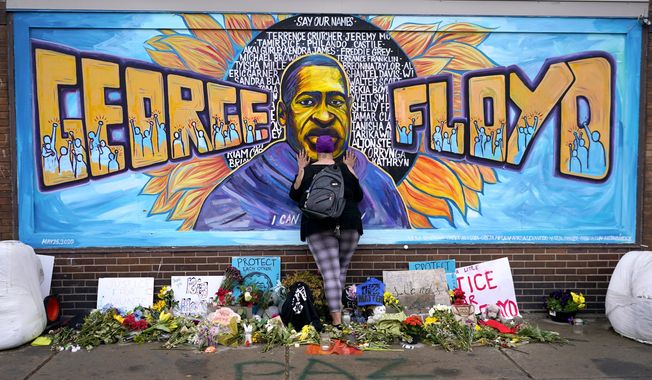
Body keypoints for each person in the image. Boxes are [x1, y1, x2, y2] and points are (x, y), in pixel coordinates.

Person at [194, 54, 408, 231]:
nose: (324, 116)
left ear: (349, 111)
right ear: (282, 114)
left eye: (336, 102)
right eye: (307, 102)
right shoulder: (235, 197)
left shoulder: (380, 187)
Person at [289, 135, 363, 325]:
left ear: (316, 150)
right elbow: (359, 196)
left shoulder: (307, 171)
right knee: (340, 272)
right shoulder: (345, 169)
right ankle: (341, 317)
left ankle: (337, 322)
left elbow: (294, 195)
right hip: (349, 223)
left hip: (318, 225)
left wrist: (301, 169)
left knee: (330, 275)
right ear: (333, 150)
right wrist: (350, 169)